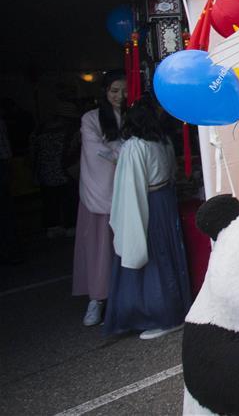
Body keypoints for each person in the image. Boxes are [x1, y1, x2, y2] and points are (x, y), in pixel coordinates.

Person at [104, 96, 191, 339]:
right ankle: (175, 310)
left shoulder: (134, 146)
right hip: (164, 200)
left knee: (154, 256)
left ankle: (164, 316)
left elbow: (130, 185)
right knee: (168, 255)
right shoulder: (163, 141)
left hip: (147, 202)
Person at [73, 72, 126, 326]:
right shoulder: (91, 118)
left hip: (126, 188)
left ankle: (126, 298)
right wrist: (125, 152)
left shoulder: (132, 115)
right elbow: (96, 151)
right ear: (105, 91)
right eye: (114, 91)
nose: (120, 96)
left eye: (124, 91)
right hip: (100, 190)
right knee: (100, 250)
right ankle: (97, 298)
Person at [30, 102, 81, 238]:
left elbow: (32, 151)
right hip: (65, 172)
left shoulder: (39, 130)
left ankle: (52, 226)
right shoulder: (72, 132)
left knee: (49, 201)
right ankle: (70, 225)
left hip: (45, 172)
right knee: (69, 200)